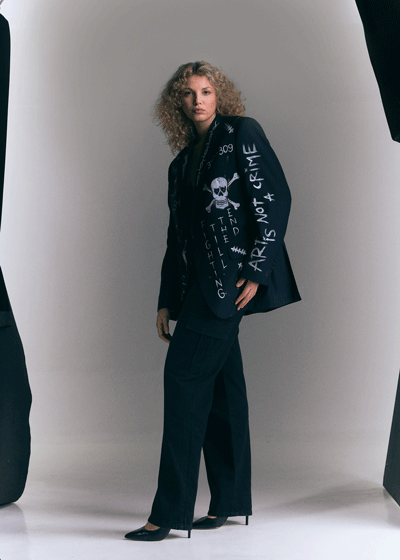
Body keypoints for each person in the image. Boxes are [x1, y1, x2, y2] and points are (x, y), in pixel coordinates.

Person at [125, 61, 300, 542]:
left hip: (230, 284)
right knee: (222, 391)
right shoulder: (180, 163)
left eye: (205, 91)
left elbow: (275, 199)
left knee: (183, 381)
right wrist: (167, 300)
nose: (198, 100)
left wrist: (257, 270)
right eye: (188, 93)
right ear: (177, 103)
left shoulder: (241, 133)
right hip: (195, 290)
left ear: (218, 95)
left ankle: (168, 514)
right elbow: (176, 237)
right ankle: (230, 501)